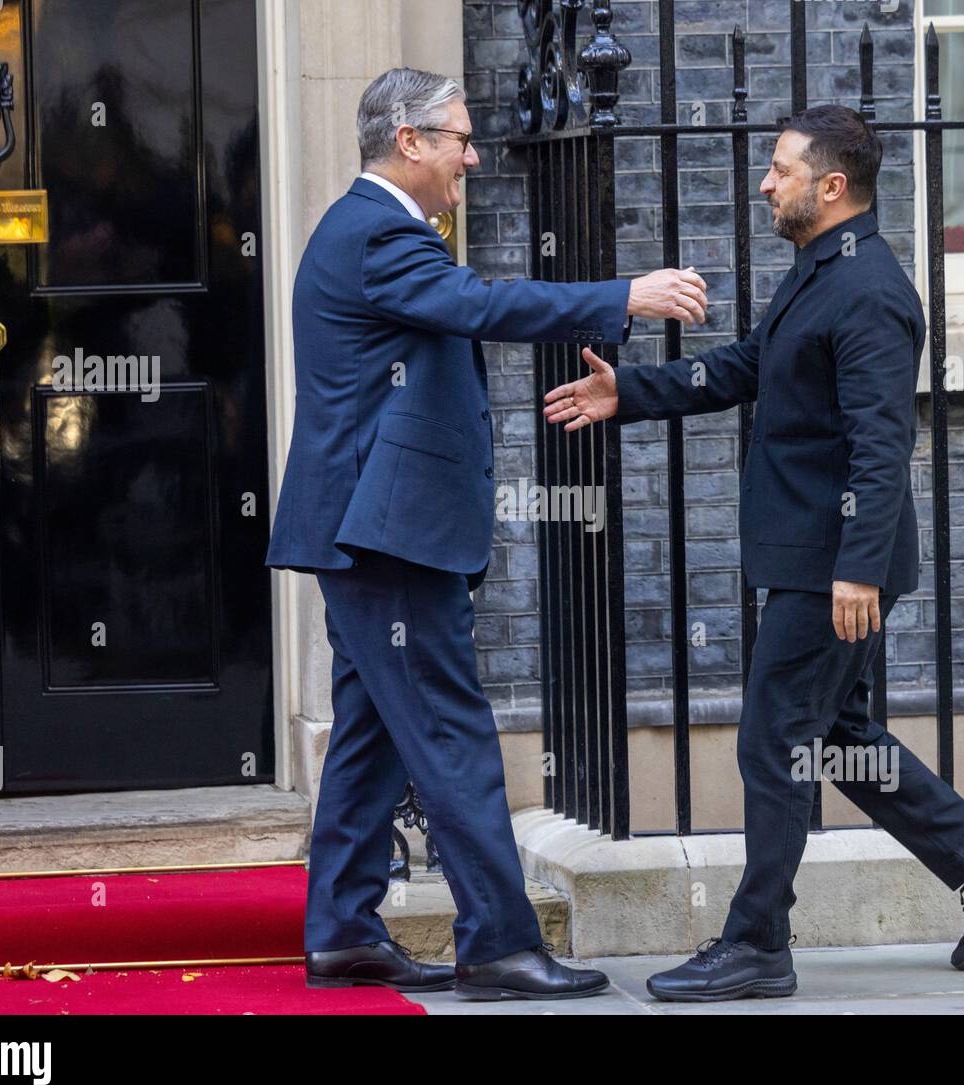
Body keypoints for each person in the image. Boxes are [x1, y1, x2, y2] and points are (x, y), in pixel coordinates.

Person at [543, 104, 964, 1001]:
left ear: (830, 186)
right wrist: (630, 392)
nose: (765, 183)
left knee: (773, 740)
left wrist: (855, 568)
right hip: (816, 560)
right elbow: (747, 365)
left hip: (833, 569)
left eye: (779, 169)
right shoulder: (823, 272)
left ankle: (757, 943)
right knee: (839, 731)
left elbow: (879, 442)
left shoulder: (870, 293)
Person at [265, 67, 707, 1000]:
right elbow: (483, 305)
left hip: (374, 531)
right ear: (409, 141)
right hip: (386, 537)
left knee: (376, 734)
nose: (473, 153)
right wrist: (625, 293)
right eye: (459, 137)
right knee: (453, 730)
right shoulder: (377, 232)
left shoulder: (375, 230)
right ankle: (499, 942)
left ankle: (342, 928)